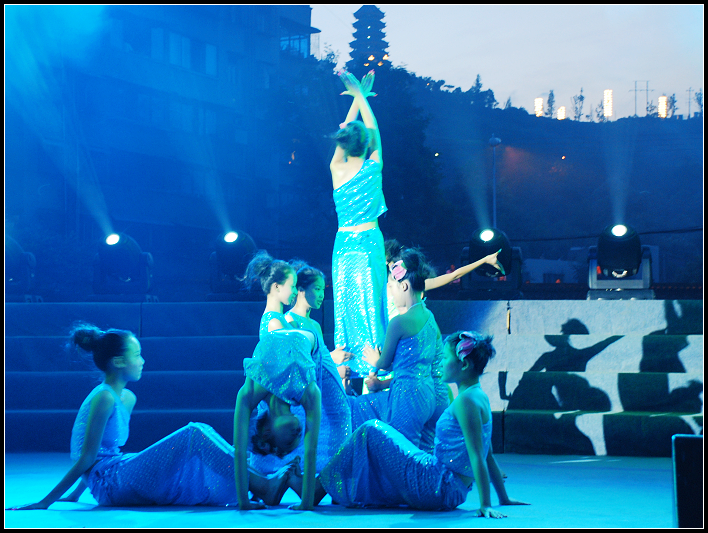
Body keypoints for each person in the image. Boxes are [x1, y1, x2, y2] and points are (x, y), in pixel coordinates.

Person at [6, 323, 291, 510]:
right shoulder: (104, 397)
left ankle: (256, 480)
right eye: (137, 354)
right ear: (119, 362)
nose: (142, 361)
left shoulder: (126, 397)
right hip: (110, 483)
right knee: (193, 433)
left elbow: (102, 452)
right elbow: (88, 457)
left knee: (200, 431)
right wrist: (47, 501)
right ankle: (260, 484)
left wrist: (77, 495)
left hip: (115, 470)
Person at [297, 330, 529, 515]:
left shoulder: (466, 402)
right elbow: (488, 454)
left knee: (370, 429)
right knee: (374, 432)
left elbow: (478, 455)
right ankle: (325, 486)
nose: (440, 364)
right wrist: (503, 498)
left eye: (445, 358)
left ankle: (317, 488)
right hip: (445, 483)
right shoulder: (478, 396)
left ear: (464, 365)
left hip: (439, 485)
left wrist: (486, 504)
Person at [349, 248, 441, 449]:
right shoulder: (429, 317)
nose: (389, 293)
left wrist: (373, 359)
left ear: (404, 286)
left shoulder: (399, 322)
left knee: (402, 450)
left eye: (391, 286)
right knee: (422, 449)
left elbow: (384, 363)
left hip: (406, 395)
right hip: (428, 392)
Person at [330, 70, 388, 380]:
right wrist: (361, 97)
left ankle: (345, 370)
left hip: (343, 246)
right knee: (372, 305)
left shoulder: (336, 168)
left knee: (345, 307)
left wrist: (355, 98)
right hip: (368, 243)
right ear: (366, 144)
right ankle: (373, 373)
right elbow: (373, 130)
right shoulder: (374, 165)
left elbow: (347, 132)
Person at [234, 329, 321, 511]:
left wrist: (244, 502)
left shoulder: (251, 392)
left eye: (288, 442)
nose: (298, 434)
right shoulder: (309, 393)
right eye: (299, 437)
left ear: (267, 432)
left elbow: (240, 452)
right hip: (309, 337)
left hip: (274, 329)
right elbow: (310, 451)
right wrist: (306, 503)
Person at [285, 262, 352, 465]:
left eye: (323, 289)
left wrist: (334, 365)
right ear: (301, 289)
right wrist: (333, 360)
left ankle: (333, 469)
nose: (322, 295)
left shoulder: (314, 324)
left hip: (325, 389)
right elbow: (299, 363)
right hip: (307, 390)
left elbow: (320, 359)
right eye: (317, 289)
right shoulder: (289, 321)